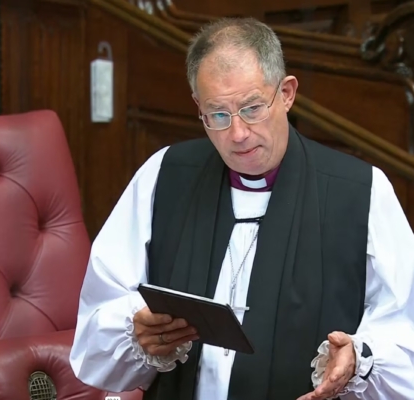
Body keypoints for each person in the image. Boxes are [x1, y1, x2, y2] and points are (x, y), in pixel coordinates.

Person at [69, 17, 414, 400]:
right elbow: (97, 324)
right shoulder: (164, 174)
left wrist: (360, 359)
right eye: (218, 114)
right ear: (198, 107)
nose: (237, 134)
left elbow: (404, 333)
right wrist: (139, 330)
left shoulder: (362, 192)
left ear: (286, 93)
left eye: (252, 108)